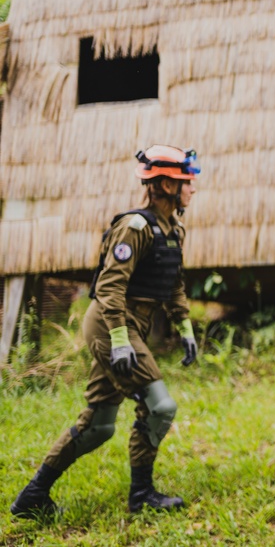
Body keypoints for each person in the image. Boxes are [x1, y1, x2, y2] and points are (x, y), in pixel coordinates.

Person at [10, 145, 201, 518]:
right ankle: (141, 494)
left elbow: (173, 285)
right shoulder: (136, 228)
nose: (193, 189)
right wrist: (118, 341)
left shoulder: (173, 230)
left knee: (99, 426)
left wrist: (186, 329)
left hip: (132, 326)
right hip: (110, 324)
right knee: (160, 405)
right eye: (186, 182)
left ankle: (31, 498)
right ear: (165, 185)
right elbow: (110, 288)